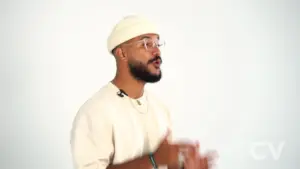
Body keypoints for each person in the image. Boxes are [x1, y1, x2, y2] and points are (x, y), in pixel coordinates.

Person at [70, 15, 217, 169]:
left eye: (157, 43)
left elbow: (164, 163)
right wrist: (153, 160)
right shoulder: (95, 111)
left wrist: (183, 167)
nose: (157, 52)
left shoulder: (160, 109)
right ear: (122, 53)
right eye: (146, 44)